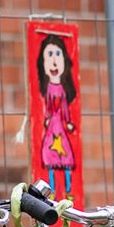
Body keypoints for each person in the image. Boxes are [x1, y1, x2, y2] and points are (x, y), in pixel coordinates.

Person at [36, 33, 77, 199]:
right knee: (50, 156)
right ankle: (50, 189)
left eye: (58, 54)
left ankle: (68, 189)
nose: (54, 60)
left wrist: (67, 122)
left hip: (60, 124)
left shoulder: (62, 88)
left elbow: (65, 107)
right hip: (53, 124)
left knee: (65, 156)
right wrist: (46, 118)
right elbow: (47, 108)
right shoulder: (48, 89)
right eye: (50, 55)